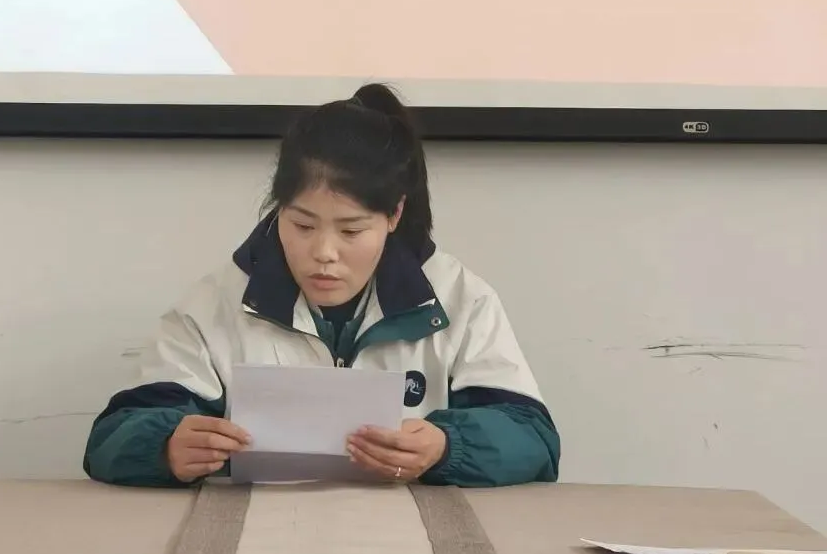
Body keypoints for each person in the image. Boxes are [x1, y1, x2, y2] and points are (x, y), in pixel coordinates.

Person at [83, 84, 560, 487]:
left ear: (394, 214)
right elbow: (112, 437)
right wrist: (165, 446)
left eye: (351, 231)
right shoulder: (217, 302)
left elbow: (534, 439)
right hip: (256, 535)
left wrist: (448, 446)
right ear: (279, 209)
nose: (324, 252)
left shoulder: (460, 300)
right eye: (302, 226)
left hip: (409, 536)